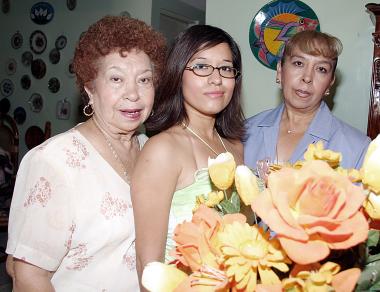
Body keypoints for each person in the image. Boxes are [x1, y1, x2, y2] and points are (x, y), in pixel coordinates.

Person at [5, 15, 165, 291]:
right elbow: (28, 276)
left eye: (144, 80)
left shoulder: (152, 150)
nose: (133, 94)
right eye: (116, 78)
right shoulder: (54, 161)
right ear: (90, 88)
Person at [131, 24, 245, 285]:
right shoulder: (162, 149)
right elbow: (148, 267)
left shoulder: (235, 146)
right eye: (202, 67)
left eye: (226, 68)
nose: (216, 78)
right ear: (178, 74)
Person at [244, 30, 371, 171]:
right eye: (298, 63)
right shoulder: (244, 132)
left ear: (330, 83)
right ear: (280, 70)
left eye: (321, 69)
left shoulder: (357, 148)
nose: (307, 77)